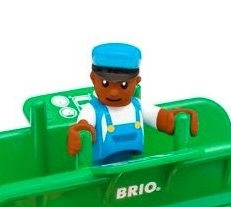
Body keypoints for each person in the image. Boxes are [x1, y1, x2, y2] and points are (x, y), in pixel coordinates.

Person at [67, 43, 198, 165]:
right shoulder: (92, 110)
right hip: (100, 170)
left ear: (136, 82)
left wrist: (177, 119)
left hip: (131, 166)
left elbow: (161, 119)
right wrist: (78, 132)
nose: (113, 92)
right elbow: (84, 126)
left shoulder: (138, 106)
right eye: (105, 84)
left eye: (123, 85)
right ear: (93, 79)